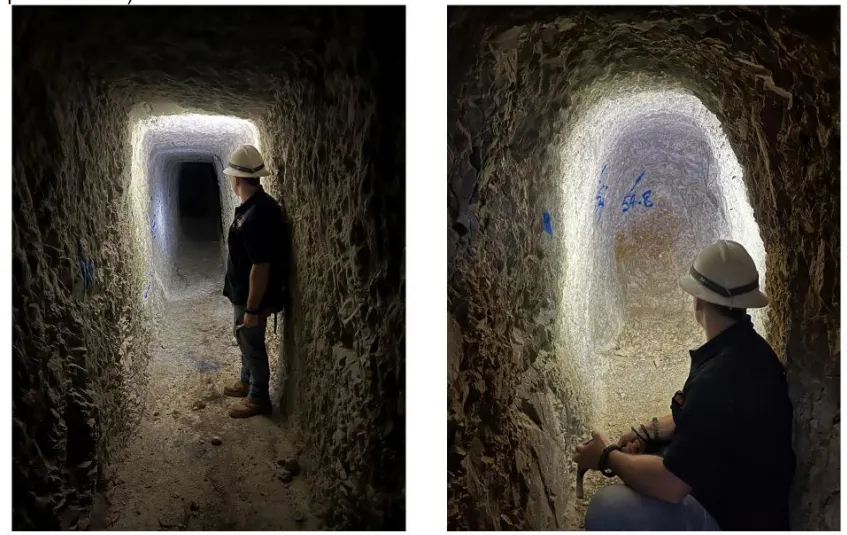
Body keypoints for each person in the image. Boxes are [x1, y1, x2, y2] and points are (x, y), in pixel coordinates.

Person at [573, 240, 796, 530]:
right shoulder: (751, 352)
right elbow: (705, 420)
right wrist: (649, 431)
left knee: (607, 508)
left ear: (698, 300)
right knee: (651, 456)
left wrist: (606, 456)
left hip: (733, 520)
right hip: (755, 503)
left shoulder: (717, 378)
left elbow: (671, 485)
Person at [221, 144, 289, 419]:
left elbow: (260, 266)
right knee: (244, 338)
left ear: (237, 178)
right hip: (243, 290)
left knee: (252, 342)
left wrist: (251, 308)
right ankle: (246, 380)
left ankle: (258, 397)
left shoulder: (259, 213)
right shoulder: (253, 207)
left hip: (253, 295)